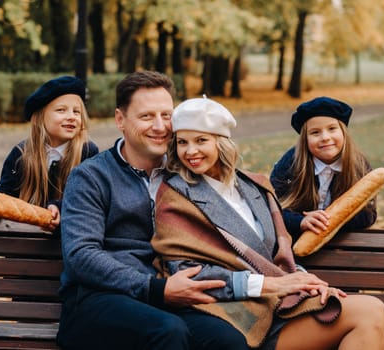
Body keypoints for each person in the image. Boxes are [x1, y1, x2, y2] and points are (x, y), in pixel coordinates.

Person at [151, 97, 384, 350]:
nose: (190, 151)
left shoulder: (254, 186)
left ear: (221, 141)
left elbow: (277, 256)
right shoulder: (176, 196)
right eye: (182, 143)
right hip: (239, 314)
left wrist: (308, 281)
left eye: (201, 140)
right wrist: (271, 284)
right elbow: (186, 271)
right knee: (371, 311)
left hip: (282, 304)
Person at [56, 71, 249, 350]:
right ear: (120, 120)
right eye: (147, 116)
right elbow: (81, 255)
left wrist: (296, 223)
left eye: (167, 115)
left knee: (228, 340)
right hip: (97, 299)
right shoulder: (91, 176)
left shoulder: (184, 174)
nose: (160, 126)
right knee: (167, 331)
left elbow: (237, 210)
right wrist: (154, 288)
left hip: (165, 297)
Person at [0, 76, 98, 231]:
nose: (71, 116)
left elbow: (89, 200)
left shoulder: (88, 153)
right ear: (40, 118)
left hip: (69, 246)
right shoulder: (20, 155)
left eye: (77, 112)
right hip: (24, 243)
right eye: (61, 110)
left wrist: (60, 209)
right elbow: (4, 200)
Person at [270, 96, 377, 240]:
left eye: (332, 129)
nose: (325, 137)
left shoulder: (359, 166)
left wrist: (330, 220)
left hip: (344, 243)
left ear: (343, 132)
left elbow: (369, 215)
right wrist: (300, 221)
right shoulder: (290, 164)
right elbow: (271, 208)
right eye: (315, 132)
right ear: (305, 139)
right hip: (294, 242)